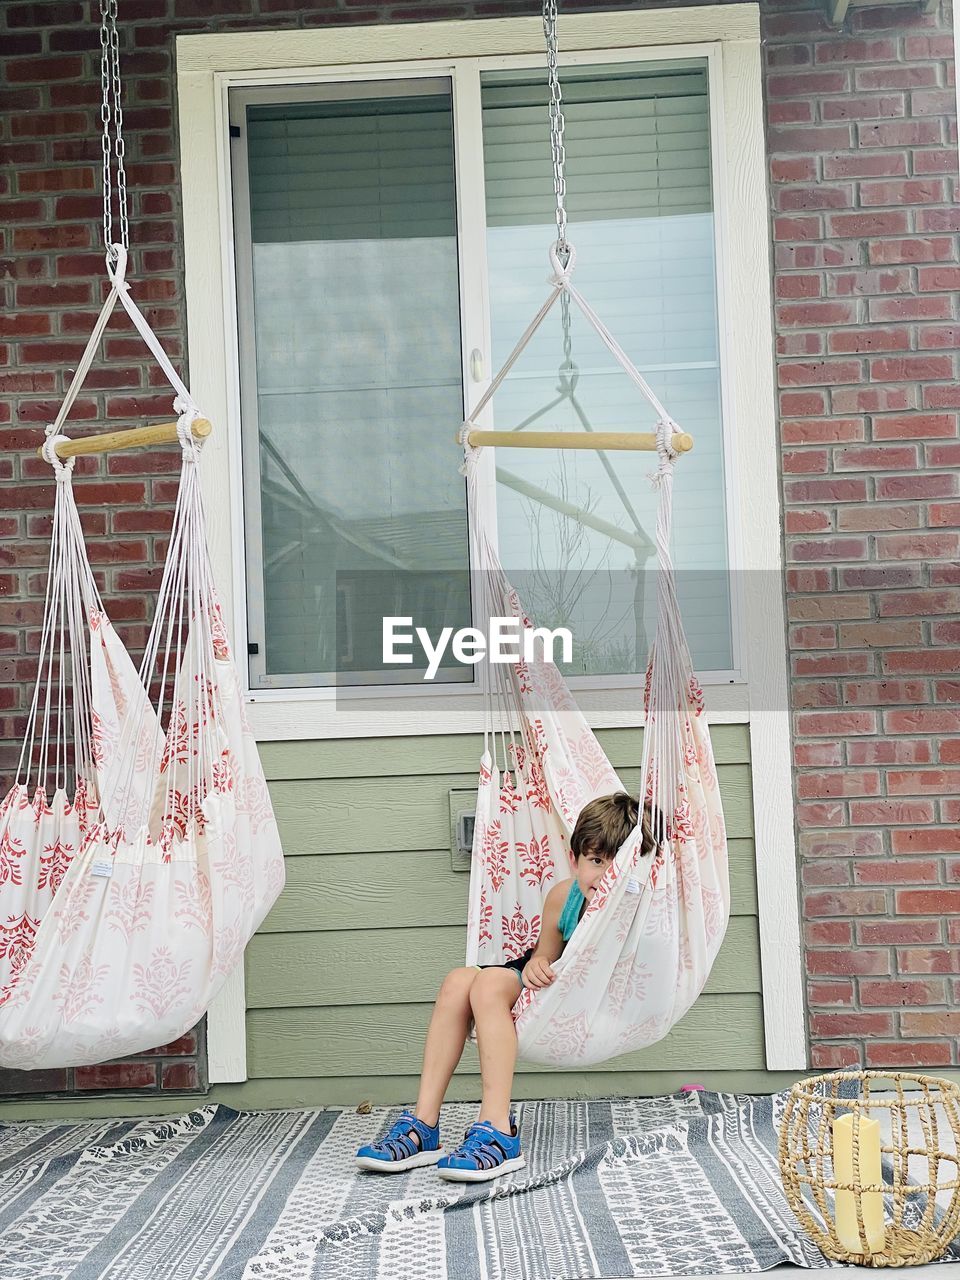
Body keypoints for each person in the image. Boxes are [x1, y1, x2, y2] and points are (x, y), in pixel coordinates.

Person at [355, 791, 655, 1182]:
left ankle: (498, 1128)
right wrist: (538, 966)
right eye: (596, 861)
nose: (604, 876)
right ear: (577, 859)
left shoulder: (638, 904)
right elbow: (542, 958)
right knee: (457, 981)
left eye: (617, 865)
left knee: (487, 984)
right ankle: (424, 1125)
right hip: (551, 990)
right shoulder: (564, 897)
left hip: (590, 996)